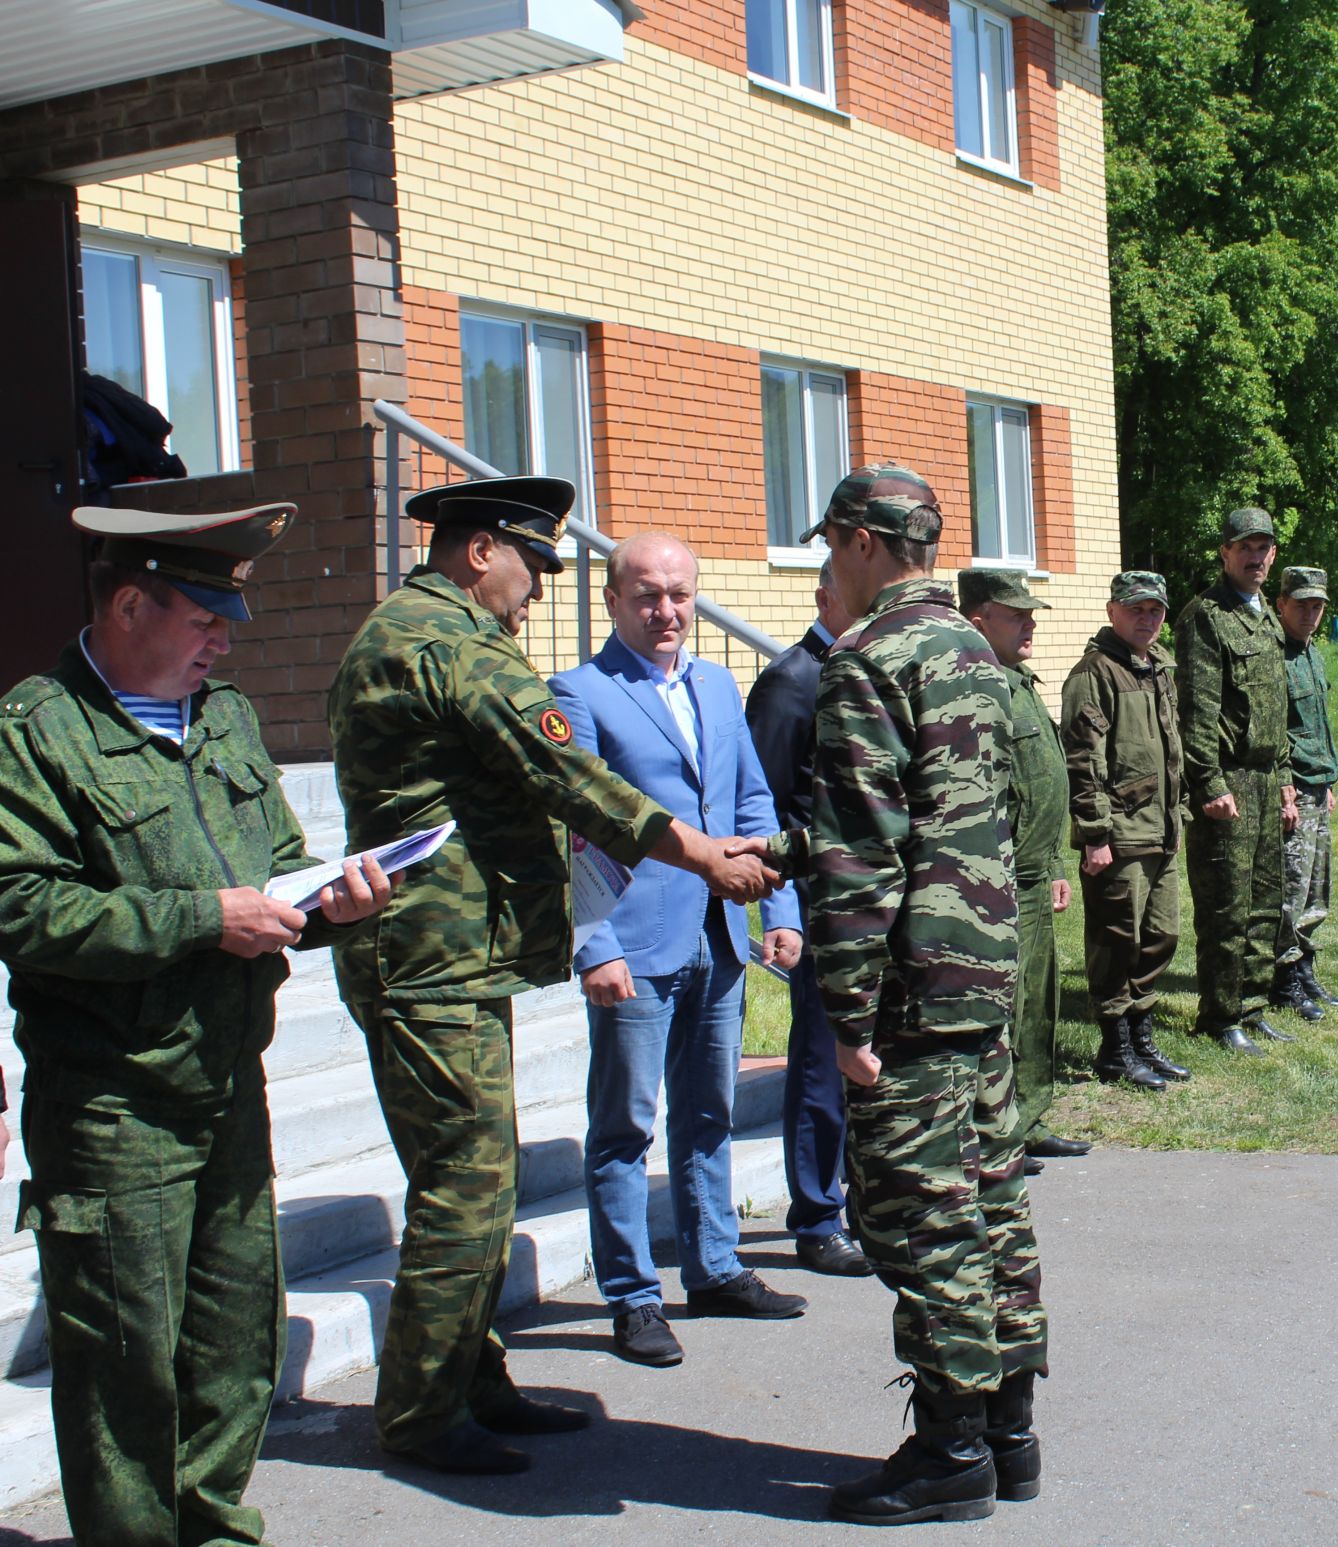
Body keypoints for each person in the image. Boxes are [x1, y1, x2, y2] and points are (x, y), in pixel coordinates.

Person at [328, 475, 777, 1476]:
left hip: (449, 952)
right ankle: (417, 1413)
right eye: (533, 565)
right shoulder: (444, 640)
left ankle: (470, 1381)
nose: (537, 591)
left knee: (474, 1181)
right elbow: (565, 770)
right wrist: (699, 852)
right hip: (427, 956)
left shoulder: (429, 629)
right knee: (466, 1186)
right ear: (480, 548)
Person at [0, 503, 393, 1547]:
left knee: (232, 1338)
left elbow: (275, 861)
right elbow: (22, 906)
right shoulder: (38, 731)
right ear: (130, 604)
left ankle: (214, 1527)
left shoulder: (223, 718)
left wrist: (325, 907)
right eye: (207, 615)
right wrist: (199, 917)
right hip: (113, 1100)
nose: (228, 638)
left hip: (227, 1078)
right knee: (124, 1357)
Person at [802, 466, 1046, 1525]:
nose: (826, 566)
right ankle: (1009, 1429)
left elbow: (864, 853)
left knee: (923, 1215)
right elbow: (978, 813)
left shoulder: (868, 663)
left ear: (862, 542)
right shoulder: (977, 657)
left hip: (911, 987)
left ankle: (950, 1451)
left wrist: (849, 1016)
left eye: (829, 545)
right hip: (986, 967)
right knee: (992, 1194)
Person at [550, 533, 809, 1370]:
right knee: (625, 1124)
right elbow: (580, 826)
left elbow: (752, 798)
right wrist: (595, 943)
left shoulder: (716, 683)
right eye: (647, 596)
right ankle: (632, 1296)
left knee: (710, 1112)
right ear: (614, 600)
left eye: (680, 595)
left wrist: (780, 900)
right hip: (635, 940)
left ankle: (717, 1267)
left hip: (721, 935)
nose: (667, 611)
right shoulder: (580, 693)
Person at [744, 559, 876, 1277]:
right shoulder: (792, 681)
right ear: (826, 594)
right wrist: (780, 908)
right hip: (822, 907)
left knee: (866, 1059)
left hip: (873, 903)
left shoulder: (861, 671)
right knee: (825, 1062)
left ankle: (864, 1203)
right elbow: (762, 805)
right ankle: (817, 1216)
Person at [957, 568, 1087, 1172]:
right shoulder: (981, 690)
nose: (1031, 624)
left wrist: (1056, 860)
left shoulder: (1022, 682)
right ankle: (996, 1134)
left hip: (1036, 872)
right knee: (1004, 1010)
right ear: (980, 620)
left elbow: (1042, 785)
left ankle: (1029, 1117)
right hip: (1002, 879)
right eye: (1019, 615)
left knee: (1038, 1003)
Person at [1060, 571, 1190, 1089]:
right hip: (1119, 834)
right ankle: (1115, 1048)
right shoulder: (1095, 673)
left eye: (1155, 610)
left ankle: (1142, 1036)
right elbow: (1082, 760)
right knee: (1118, 940)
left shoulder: (1159, 667)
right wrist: (1094, 834)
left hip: (1162, 828)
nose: (1148, 618)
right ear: (1113, 609)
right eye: (1137, 608)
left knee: (1162, 934)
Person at [1175, 507, 1298, 1054]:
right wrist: (1208, 784)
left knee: (1266, 898)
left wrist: (1287, 778)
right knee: (1228, 902)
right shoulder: (1206, 616)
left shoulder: (1268, 616)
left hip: (1267, 779)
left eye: (1264, 548)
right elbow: (1196, 713)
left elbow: (1277, 708)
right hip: (1229, 782)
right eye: (1245, 547)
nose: (1256, 557)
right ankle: (1221, 1017)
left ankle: (1253, 1003)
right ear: (1225, 552)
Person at [1275, 565, 1338, 1014]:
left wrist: (1330, 780)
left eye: (1317, 606)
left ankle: (1304, 971)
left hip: (1317, 787)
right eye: (1302, 604)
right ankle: (1283, 981)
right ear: (1282, 604)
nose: (1310, 613)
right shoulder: (1273, 657)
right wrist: (1285, 787)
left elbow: (1318, 725)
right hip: (1295, 791)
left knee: (1317, 891)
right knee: (1291, 892)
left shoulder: (1312, 654)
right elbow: (1273, 730)